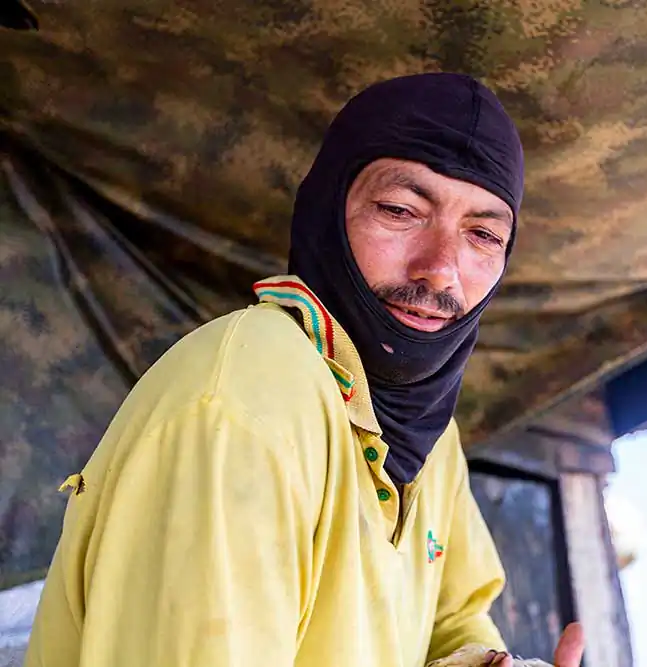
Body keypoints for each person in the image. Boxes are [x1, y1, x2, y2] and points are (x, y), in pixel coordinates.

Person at [23, 73, 585, 667]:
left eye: (483, 235)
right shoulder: (241, 403)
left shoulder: (431, 438)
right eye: (400, 210)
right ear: (325, 212)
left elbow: (453, 622)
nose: (441, 269)